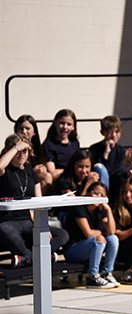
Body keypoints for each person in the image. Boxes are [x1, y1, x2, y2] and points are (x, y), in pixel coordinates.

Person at [0, 134, 69, 268]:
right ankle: (39, 259)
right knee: (6, 232)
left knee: (62, 234)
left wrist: (42, 223)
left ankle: (26, 259)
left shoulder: (30, 172)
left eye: (24, 150)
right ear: (10, 150)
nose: (21, 153)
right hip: (7, 221)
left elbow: (39, 203)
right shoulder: (5, 171)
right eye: (17, 150)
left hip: (27, 221)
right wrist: (16, 147)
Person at [63, 181, 120, 289]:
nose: (98, 197)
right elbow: (88, 233)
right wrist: (103, 233)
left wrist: (108, 210)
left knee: (113, 238)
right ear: (88, 193)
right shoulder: (78, 208)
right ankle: (92, 276)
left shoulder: (100, 210)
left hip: (89, 249)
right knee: (99, 239)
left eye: (102, 195)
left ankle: (107, 273)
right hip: (72, 251)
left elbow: (112, 231)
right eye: (95, 193)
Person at [14, 115, 52, 195]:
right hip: (16, 179)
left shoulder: (39, 148)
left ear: (34, 132)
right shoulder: (12, 148)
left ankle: (39, 205)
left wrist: (42, 169)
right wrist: (33, 171)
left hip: (33, 181)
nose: (24, 131)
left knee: (47, 176)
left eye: (27, 128)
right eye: (20, 129)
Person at [42, 109, 80, 181]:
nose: (65, 127)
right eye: (62, 123)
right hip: (59, 179)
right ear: (55, 123)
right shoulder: (48, 144)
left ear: (73, 127)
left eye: (69, 124)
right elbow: (52, 172)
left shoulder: (75, 143)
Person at [88, 115, 125, 189]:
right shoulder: (94, 149)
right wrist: (106, 153)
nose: (114, 135)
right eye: (110, 132)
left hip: (115, 183)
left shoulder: (121, 150)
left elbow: (118, 170)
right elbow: (97, 169)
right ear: (102, 132)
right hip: (99, 184)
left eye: (117, 131)